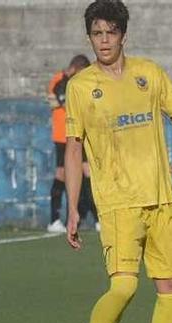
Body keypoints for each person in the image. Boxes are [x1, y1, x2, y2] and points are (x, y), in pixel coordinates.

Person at [66, 1, 172, 323]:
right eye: (97, 33)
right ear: (90, 38)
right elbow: (74, 149)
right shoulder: (80, 87)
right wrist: (75, 207)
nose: (105, 40)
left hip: (162, 200)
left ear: (123, 34)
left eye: (111, 32)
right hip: (117, 204)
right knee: (125, 286)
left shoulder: (150, 73)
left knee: (171, 289)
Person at [47, 54, 97, 232]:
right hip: (62, 135)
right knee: (61, 174)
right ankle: (54, 219)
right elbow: (64, 102)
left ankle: (94, 217)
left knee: (87, 171)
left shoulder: (76, 84)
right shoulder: (59, 80)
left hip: (78, 134)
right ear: (75, 68)